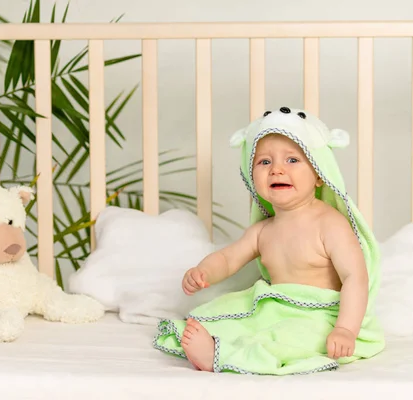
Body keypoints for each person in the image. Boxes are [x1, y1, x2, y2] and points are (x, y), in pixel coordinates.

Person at [153, 107, 385, 375]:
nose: (276, 170)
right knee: (239, 320)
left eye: (292, 160)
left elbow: (355, 278)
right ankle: (220, 344)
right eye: (264, 162)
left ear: (320, 173)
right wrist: (203, 271)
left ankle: (221, 356)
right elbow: (228, 259)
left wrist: (345, 329)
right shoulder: (263, 230)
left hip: (321, 314)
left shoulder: (330, 224)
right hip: (275, 306)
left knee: (288, 340)